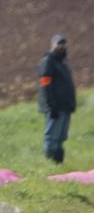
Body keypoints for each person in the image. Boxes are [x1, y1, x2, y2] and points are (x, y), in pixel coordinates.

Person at [38, 33, 76, 163]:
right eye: (58, 44)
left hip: (64, 106)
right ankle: (50, 162)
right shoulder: (47, 61)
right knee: (52, 136)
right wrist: (50, 105)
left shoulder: (62, 63)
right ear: (52, 45)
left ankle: (58, 162)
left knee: (61, 136)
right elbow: (45, 84)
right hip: (54, 106)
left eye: (63, 44)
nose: (61, 47)